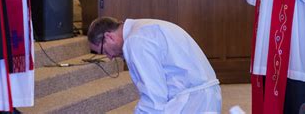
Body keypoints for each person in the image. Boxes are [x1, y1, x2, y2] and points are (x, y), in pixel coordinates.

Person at [87, 17, 222, 113]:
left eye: (104, 51)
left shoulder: (136, 41)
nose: (110, 57)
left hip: (191, 102)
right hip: (202, 96)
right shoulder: (144, 28)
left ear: (109, 36)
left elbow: (154, 98)